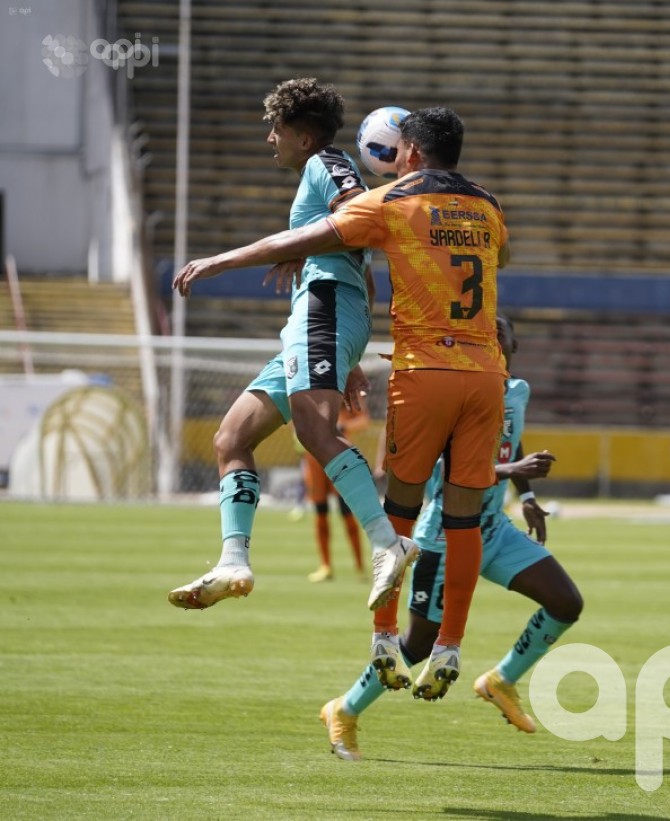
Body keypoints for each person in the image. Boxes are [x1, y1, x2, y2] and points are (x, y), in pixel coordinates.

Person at [174, 106, 510, 700]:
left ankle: (384, 639)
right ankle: (450, 645)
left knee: (395, 508)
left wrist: (221, 260)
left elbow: (320, 235)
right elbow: (498, 259)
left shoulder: (391, 199)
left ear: (409, 152)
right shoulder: (487, 205)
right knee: (463, 520)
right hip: (486, 374)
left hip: (423, 371)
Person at [168, 77, 413, 611]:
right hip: (321, 319)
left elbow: (361, 216)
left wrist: (223, 260)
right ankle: (233, 559)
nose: (269, 139)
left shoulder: (328, 163)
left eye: (276, 129)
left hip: (324, 310)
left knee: (314, 430)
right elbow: (356, 251)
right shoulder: (317, 177)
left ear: (303, 137)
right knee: (231, 438)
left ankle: (387, 542)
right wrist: (349, 351)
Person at [319, 314, 583, 760]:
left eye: (499, 335)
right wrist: (514, 470)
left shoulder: (516, 391)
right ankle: (343, 709)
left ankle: (501, 680)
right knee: (418, 645)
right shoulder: (457, 391)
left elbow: (510, 440)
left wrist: (527, 496)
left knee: (566, 602)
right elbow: (445, 470)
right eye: (485, 334)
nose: (491, 340)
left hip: (493, 528)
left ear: (513, 346)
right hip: (443, 535)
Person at [300, 405, 370, 582]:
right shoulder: (308, 395)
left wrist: (343, 426)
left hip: (340, 455)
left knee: (347, 513)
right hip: (314, 459)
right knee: (320, 512)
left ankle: (359, 566)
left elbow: (363, 420)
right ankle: (325, 566)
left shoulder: (347, 393)